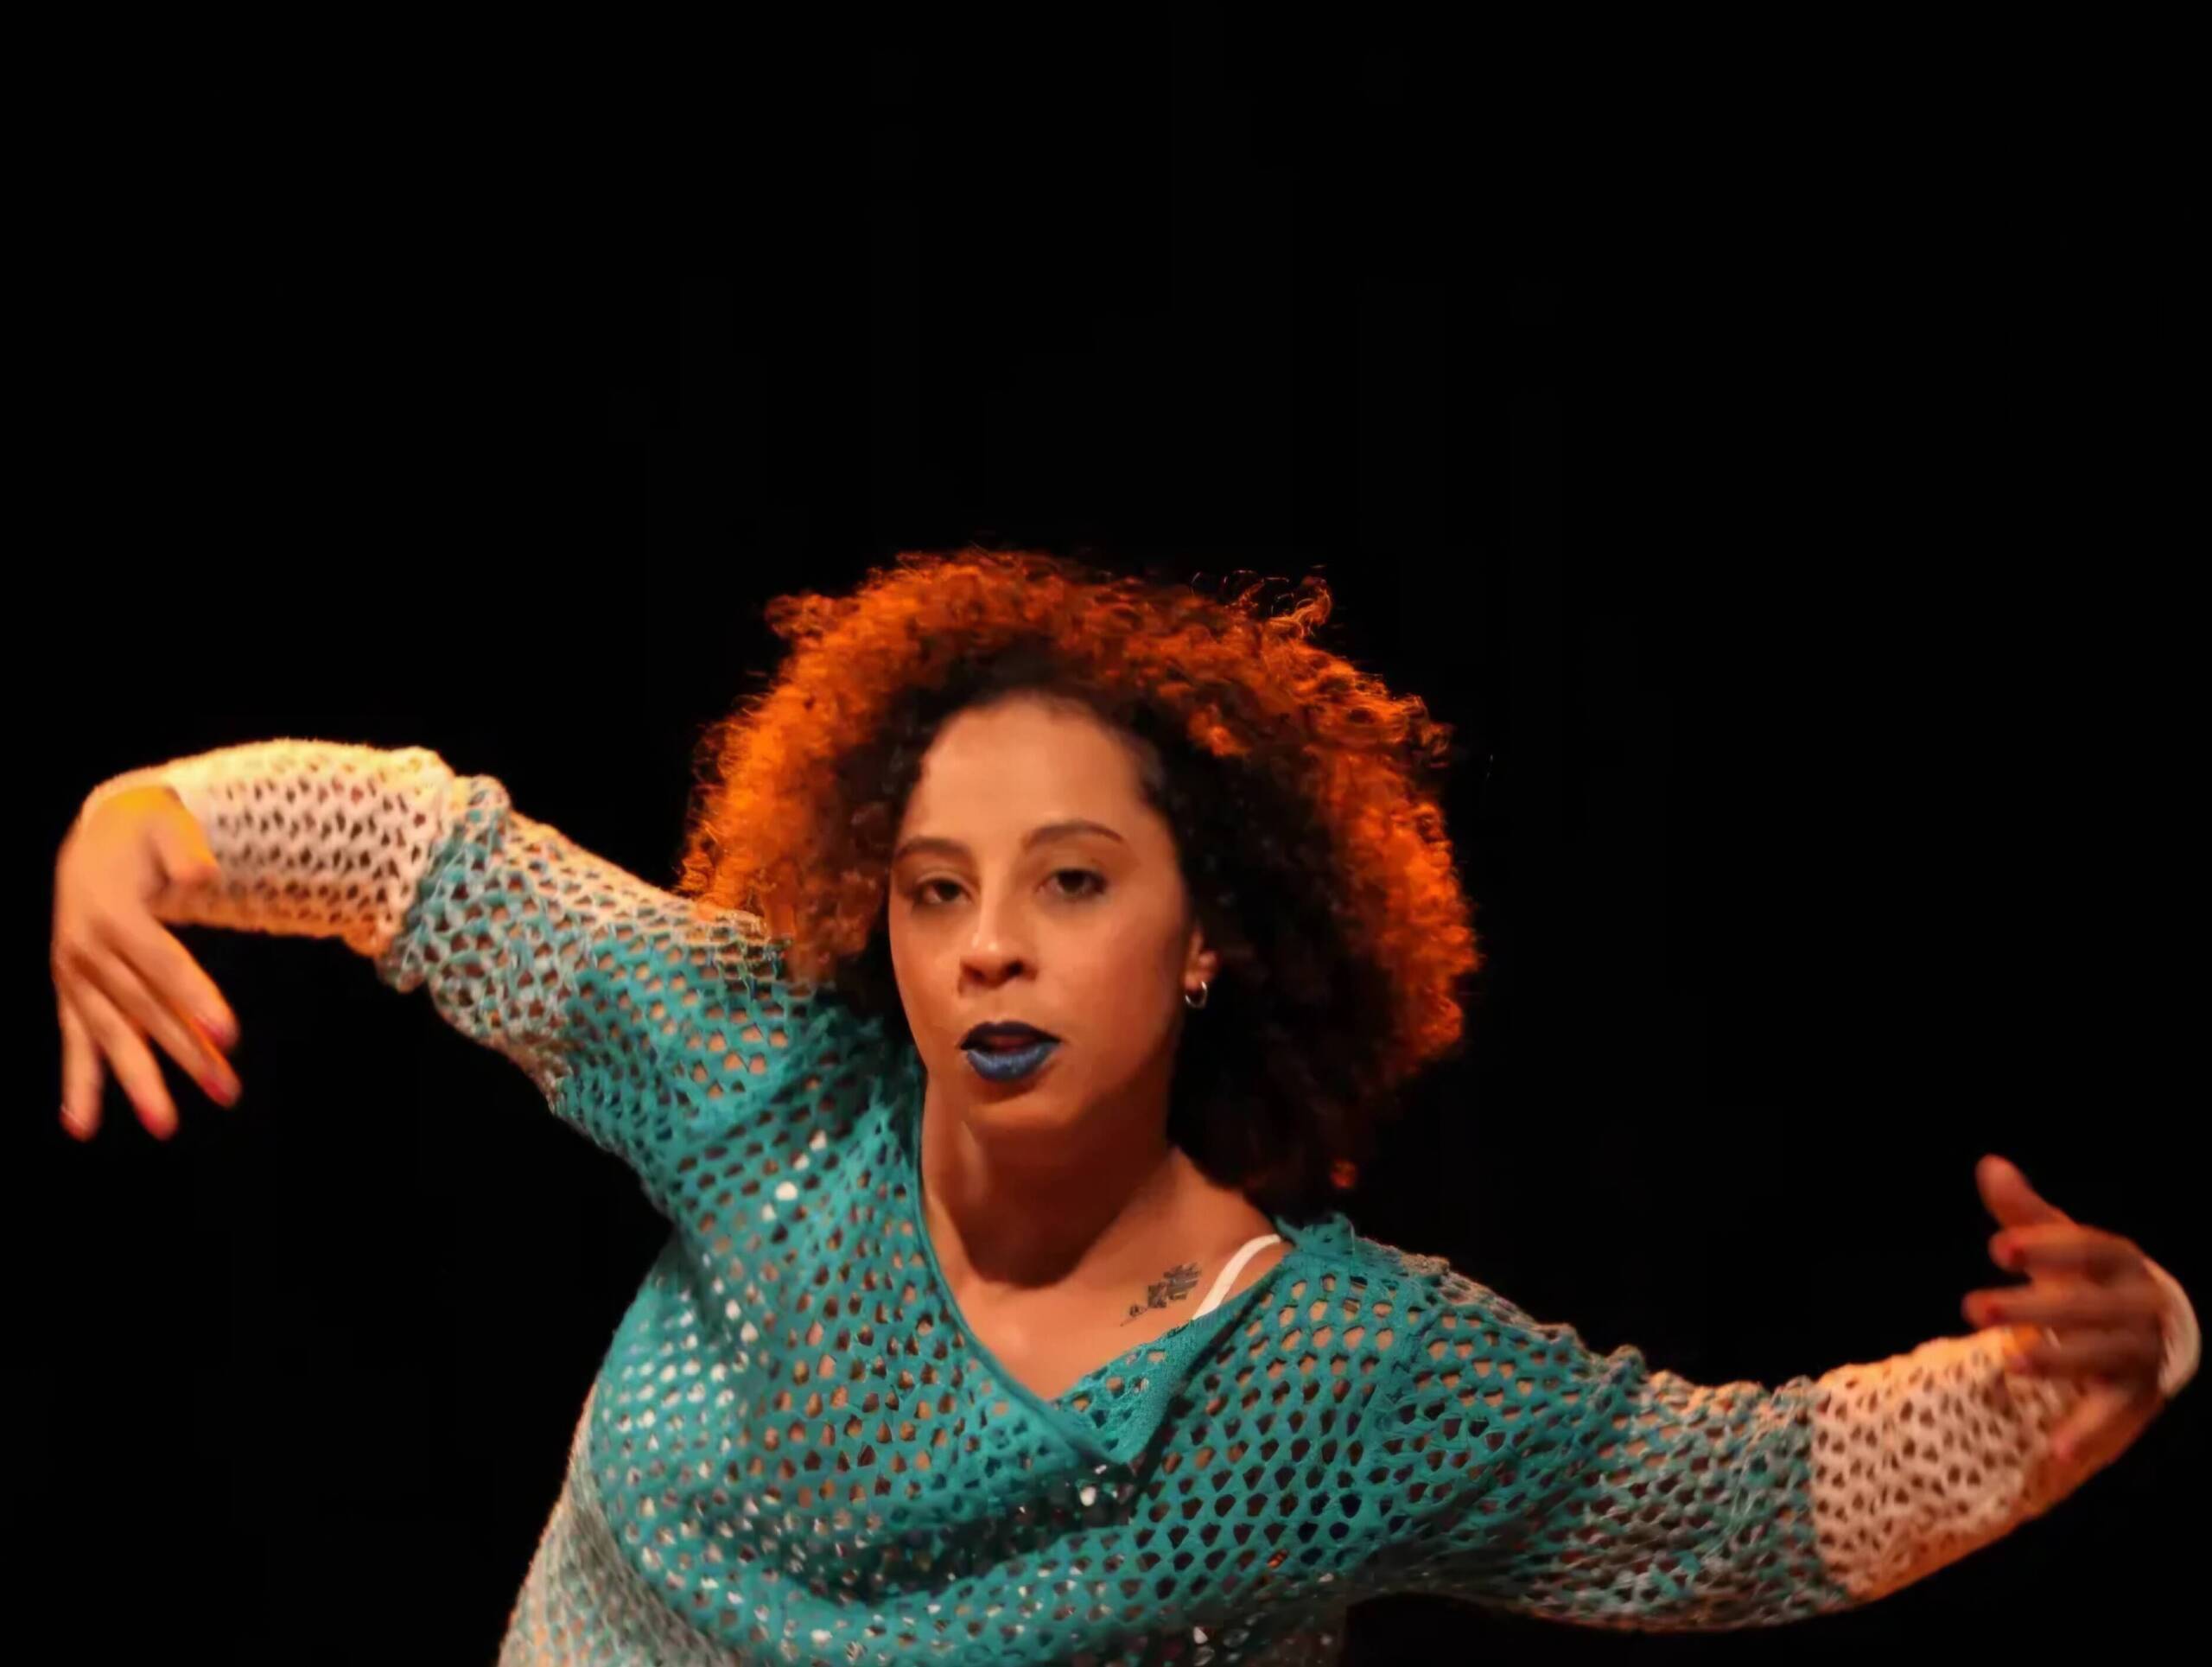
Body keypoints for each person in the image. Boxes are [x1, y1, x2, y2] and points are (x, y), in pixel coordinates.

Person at [51, 548, 2198, 1663]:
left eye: (1070, 882)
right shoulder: (766, 1079)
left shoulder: (1328, 1380)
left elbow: (1729, 1504)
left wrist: (2110, 1359)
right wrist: (129, 829)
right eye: (934, 888)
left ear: (1207, 935)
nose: (988, 944)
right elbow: (423, 856)